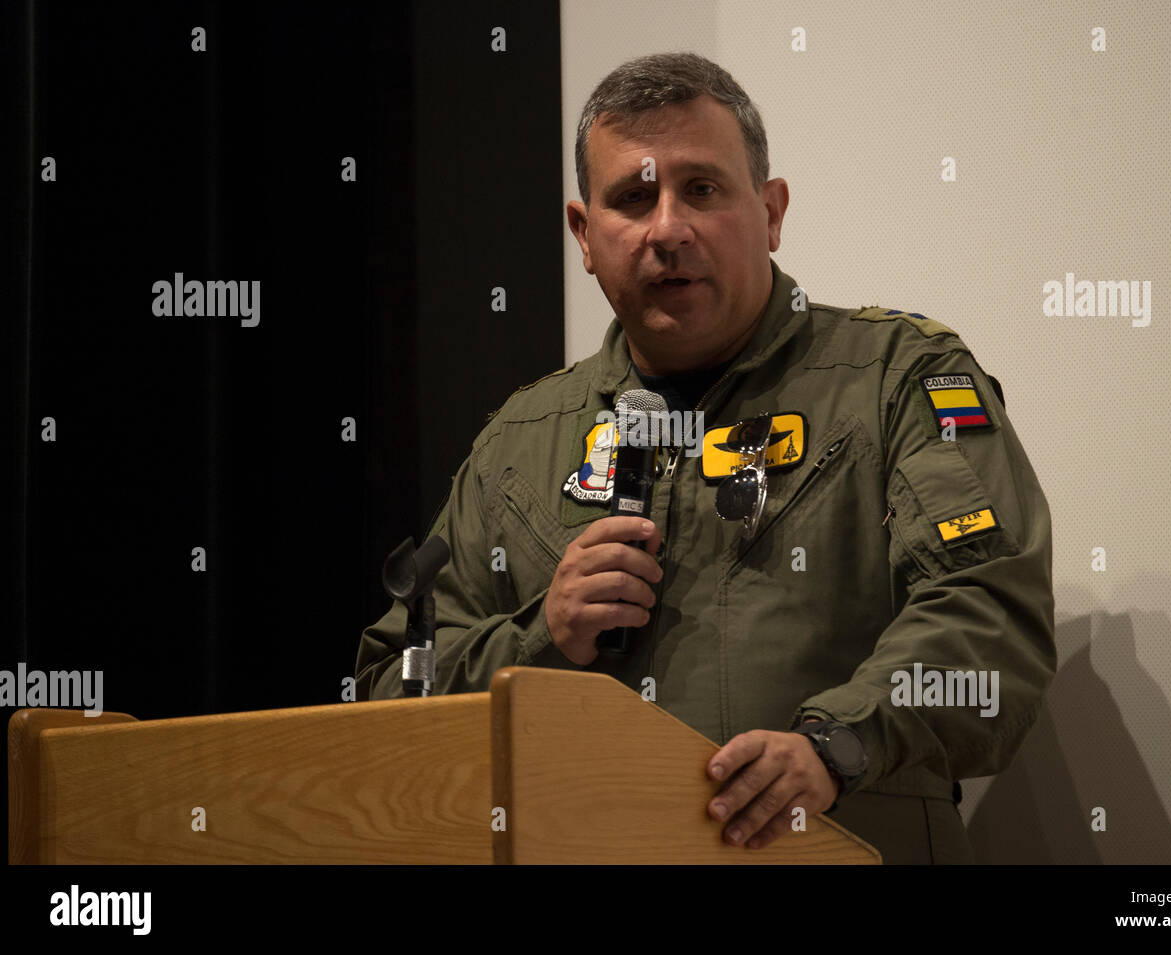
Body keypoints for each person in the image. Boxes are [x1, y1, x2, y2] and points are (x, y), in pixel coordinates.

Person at [355, 52, 1056, 864]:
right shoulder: (521, 439)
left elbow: (991, 615)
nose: (666, 229)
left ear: (771, 211)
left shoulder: (899, 379)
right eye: (631, 198)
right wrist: (538, 635)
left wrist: (836, 746)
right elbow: (390, 690)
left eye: (701, 188)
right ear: (585, 236)